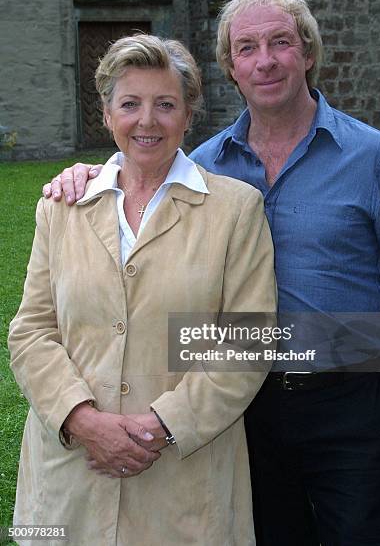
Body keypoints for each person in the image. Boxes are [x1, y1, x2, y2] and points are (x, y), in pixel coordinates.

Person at [43, 0, 380, 546]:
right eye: (247, 48)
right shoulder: (206, 164)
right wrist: (85, 175)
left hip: (350, 404)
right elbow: (142, 161)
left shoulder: (374, 157)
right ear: (231, 68)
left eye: (280, 43)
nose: (265, 60)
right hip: (244, 410)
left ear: (308, 53)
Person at [8, 33, 278, 546]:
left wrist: (159, 426)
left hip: (182, 482)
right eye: (130, 104)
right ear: (107, 115)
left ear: (188, 113)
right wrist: (82, 420)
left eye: (165, 105)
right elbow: (32, 330)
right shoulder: (61, 207)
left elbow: (248, 341)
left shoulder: (236, 210)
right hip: (71, 478)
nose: (147, 121)